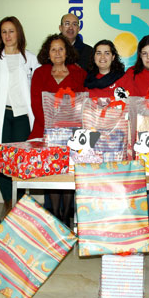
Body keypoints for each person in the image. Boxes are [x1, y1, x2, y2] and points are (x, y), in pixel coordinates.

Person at [0, 16, 40, 216]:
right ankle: (8, 201)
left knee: (20, 161)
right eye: (4, 31)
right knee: (2, 161)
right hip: (0, 116)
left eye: (11, 31)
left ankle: (21, 202)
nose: (7, 35)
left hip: (23, 116)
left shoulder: (30, 59)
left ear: (18, 33)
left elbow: (38, 90)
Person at [29, 33, 86, 224]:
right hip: (45, 131)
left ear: (67, 51)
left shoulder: (79, 73)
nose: (57, 53)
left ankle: (66, 215)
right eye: (53, 49)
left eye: (61, 48)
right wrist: (52, 127)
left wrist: (68, 123)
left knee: (68, 173)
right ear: (48, 53)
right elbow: (37, 104)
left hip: (72, 132)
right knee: (52, 173)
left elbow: (82, 103)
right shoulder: (40, 73)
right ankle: (54, 214)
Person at [122, 34, 149, 233]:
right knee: (135, 183)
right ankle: (135, 227)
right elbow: (123, 101)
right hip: (134, 136)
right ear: (139, 55)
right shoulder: (131, 73)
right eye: (144, 53)